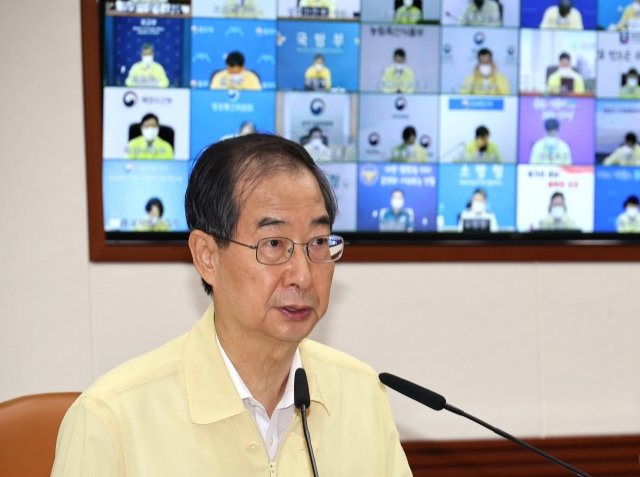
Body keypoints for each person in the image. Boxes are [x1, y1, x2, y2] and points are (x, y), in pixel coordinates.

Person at [51, 134, 412, 477]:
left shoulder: (363, 393)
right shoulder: (111, 419)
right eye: (273, 243)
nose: (302, 275)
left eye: (318, 241)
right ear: (207, 256)